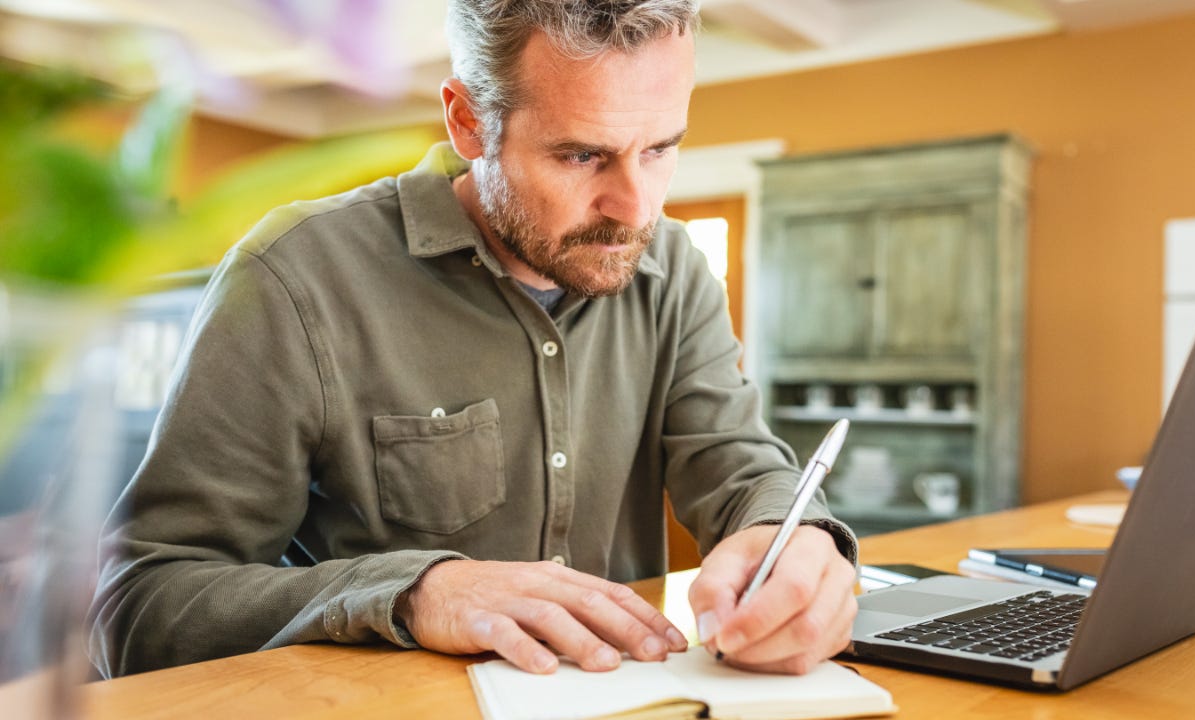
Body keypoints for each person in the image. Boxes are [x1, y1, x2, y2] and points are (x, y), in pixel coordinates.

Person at [89, 0, 858, 679]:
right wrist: (416, 592)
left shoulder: (674, 268)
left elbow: (738, 464)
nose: (634, 209)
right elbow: (140, 605)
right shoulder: (295, 278)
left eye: (659, 149)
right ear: (467, 122)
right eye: (581, 154)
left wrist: (788, 538)